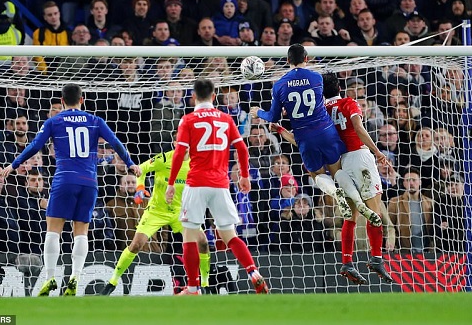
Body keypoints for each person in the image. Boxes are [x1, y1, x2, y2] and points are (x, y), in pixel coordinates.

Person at [2, 83, 141, 297]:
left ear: (63, 101)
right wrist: (131, 163)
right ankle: (75, 277)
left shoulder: (54, 120)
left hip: (64, 179)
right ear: (82, 100)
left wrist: (13, 164)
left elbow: (35, 145)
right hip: (89, 181)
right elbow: (115, 141)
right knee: (81, 232)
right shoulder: (95, 121)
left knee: (53, 230)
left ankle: (49, 278)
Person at [271, 71, 393, 284]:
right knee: (374, 211)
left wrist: (281, 129)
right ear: (339, 88)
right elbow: (358, 128)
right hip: (360, 158)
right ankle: (376, 257)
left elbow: (301, 140)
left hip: (340, 163)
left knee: (350, 216)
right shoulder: (348, 102)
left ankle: (347, 262)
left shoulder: (319, 112)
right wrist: (378, 152)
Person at [249, 44, 381, 227]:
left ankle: (336, 195)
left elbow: (273, 117)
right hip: (327, 132)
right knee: (338, 173)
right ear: (307, 59)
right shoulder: (317, 77)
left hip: (304, 137)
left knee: (317, 175)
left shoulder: (279, 85)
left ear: (287, 61)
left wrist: (258, 113)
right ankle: (358, 202)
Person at [165, 78, 268, 295]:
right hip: (221, 185)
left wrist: (172, 183)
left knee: (189, 235)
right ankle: (253, 273)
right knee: (229, 235)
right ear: (214, 97)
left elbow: (178, 155)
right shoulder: (226, 119)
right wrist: (244, 176)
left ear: (193, 96)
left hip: (196, 183)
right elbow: (242, 149)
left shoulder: (188, 119)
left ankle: (192, 287)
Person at [100, 138, 211, 296]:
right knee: (136, 244)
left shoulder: (196, 163)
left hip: (181, 212)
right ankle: (112, 282)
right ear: (174, 143)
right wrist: (140, 188)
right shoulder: (164, 159)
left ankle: (205, 285)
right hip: (157, 211)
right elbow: (140, 169)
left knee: (203, 243)